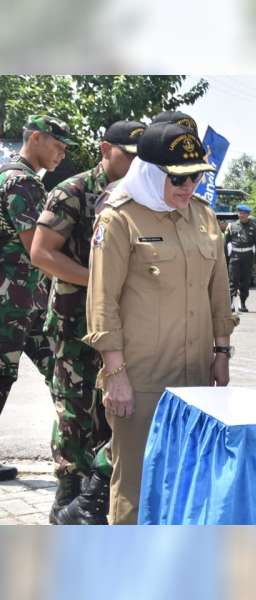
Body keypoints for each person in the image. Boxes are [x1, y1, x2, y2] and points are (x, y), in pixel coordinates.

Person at [83, 122, 236, 524]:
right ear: (151, 172)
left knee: (189, 480)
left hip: (196, 375)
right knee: (135, 485)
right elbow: (102, 302)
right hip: (141, 380)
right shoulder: (119, 219)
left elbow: (218, 293)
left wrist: (221, 352)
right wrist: (115, 373)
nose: (188, 188)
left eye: (196, 177)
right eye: (178, 179)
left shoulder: (203, 217)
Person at [31, 120, 145, 524]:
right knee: (75, 413)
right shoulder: (73, 192)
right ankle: (66, 503)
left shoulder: (140, 197)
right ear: (104, 149)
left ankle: (94, 502)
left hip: (117, 327)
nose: (134, 162)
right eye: (127, 154)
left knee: (108, 416)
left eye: (140, 156)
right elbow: (42, 254)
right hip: (73, 323)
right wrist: (100, 280)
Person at [0, 115, 74, 481]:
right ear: (38, 139)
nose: (62, 154)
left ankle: (71, 458)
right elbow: (39, 250)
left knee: (62, 376)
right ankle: (73, 462)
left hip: (27, 302)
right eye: (58, 146)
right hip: (11, 304)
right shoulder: (22, 182)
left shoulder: (10, 176)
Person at [224, 204, 256, 312]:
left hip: (247, 257)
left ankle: (243, 303)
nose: (242, 215)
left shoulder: (254, 228)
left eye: (244, 213)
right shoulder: (231, 226)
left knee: (245, 282)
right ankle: (231, 304)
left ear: (248, 215)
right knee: (232, 280)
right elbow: (225, 243)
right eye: (240, 213)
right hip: (234, 257)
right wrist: (225, 259)